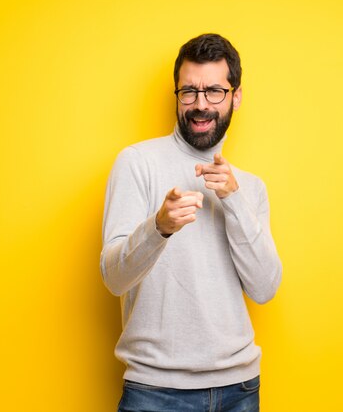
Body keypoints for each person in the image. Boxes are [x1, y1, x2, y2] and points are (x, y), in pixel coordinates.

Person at [100, 33, 282, 412]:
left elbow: (264, 288)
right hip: (155, 391)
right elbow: (113, 278)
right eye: (189, 92)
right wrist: (158, 228)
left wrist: (233, 201)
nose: (201, 105)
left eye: (214, 91)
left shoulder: (249, 187)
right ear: (177, 95)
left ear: (236, 95)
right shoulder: (137, 163)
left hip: (240, 389)